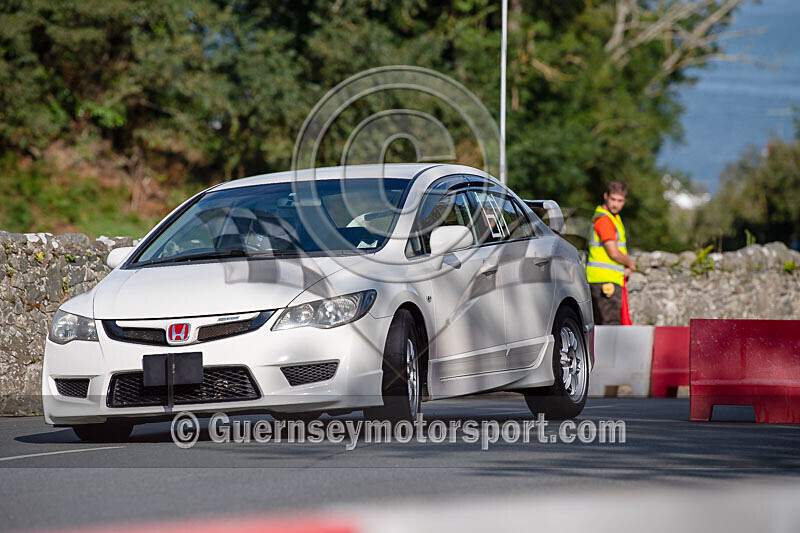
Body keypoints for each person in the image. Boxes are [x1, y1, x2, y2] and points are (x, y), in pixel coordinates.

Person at [586, 181, 635, 325]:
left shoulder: (613, 218)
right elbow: (613, 252)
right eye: (613, 199)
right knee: (610, 324)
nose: (615, 204)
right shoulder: (604, 220)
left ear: (624, 201)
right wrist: (630, 263)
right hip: (604, 281)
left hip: (605, 279)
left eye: (620, 201)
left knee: (602, 324)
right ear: (606, 196)